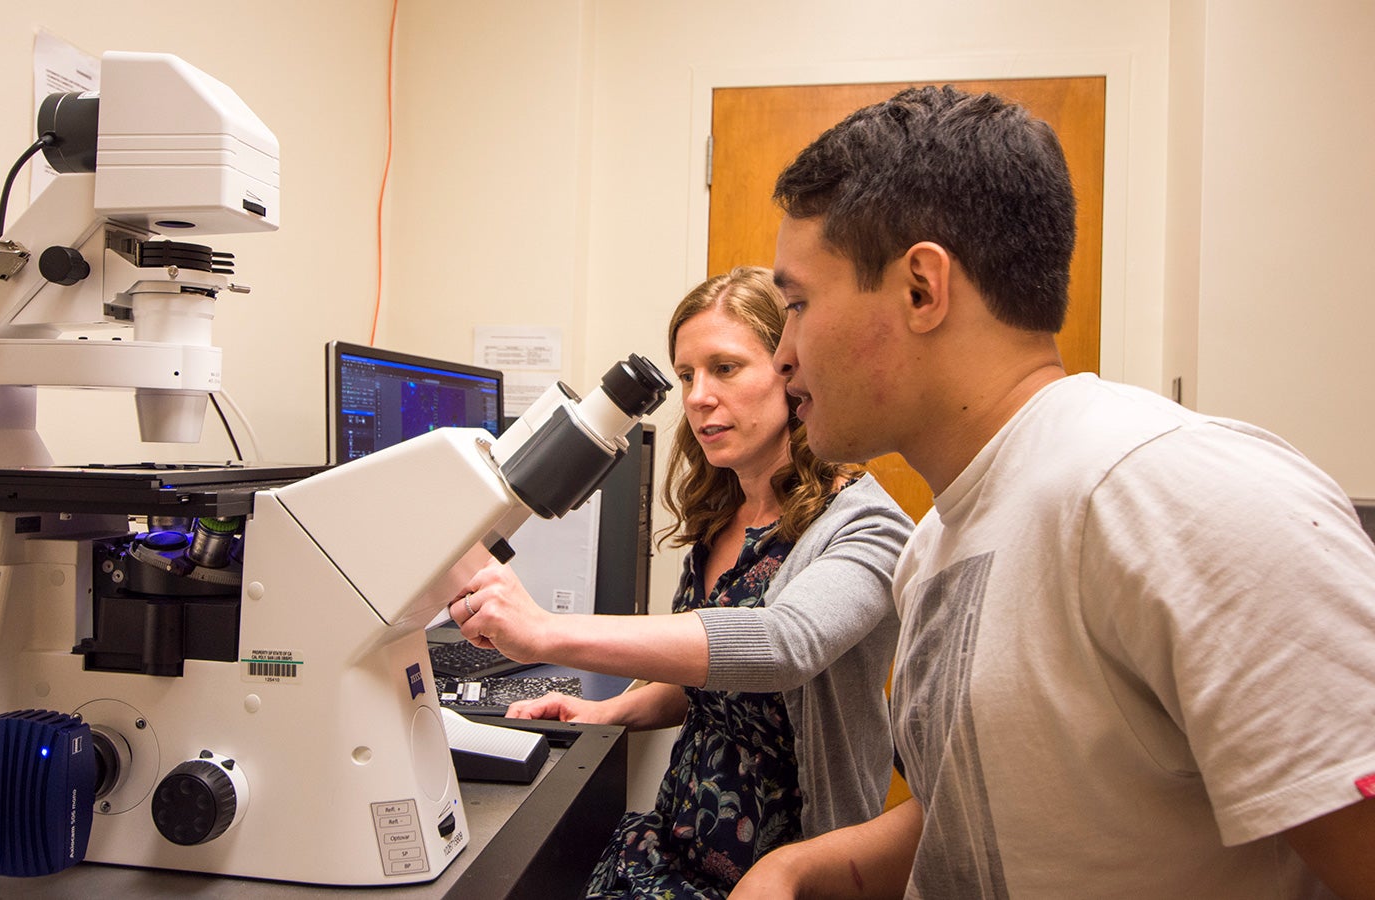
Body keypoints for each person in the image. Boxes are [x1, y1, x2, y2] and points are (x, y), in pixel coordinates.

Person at [729, 85, 1375, 899]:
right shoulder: (934, 545)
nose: (782, 354)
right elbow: (993, 815)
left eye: (795, 306)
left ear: (922, 289)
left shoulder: (1172, 496)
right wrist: (800, 867)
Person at [448, 266, 913, 898]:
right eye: (687, 374)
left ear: (790, 370)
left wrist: (545, 634)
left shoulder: (869, 526)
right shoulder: (720, 514)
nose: (697, 397)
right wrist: (605, 710)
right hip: (673, 844)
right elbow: (700, 675)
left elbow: (777, 647)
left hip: (787, 875)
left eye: (725, 368)